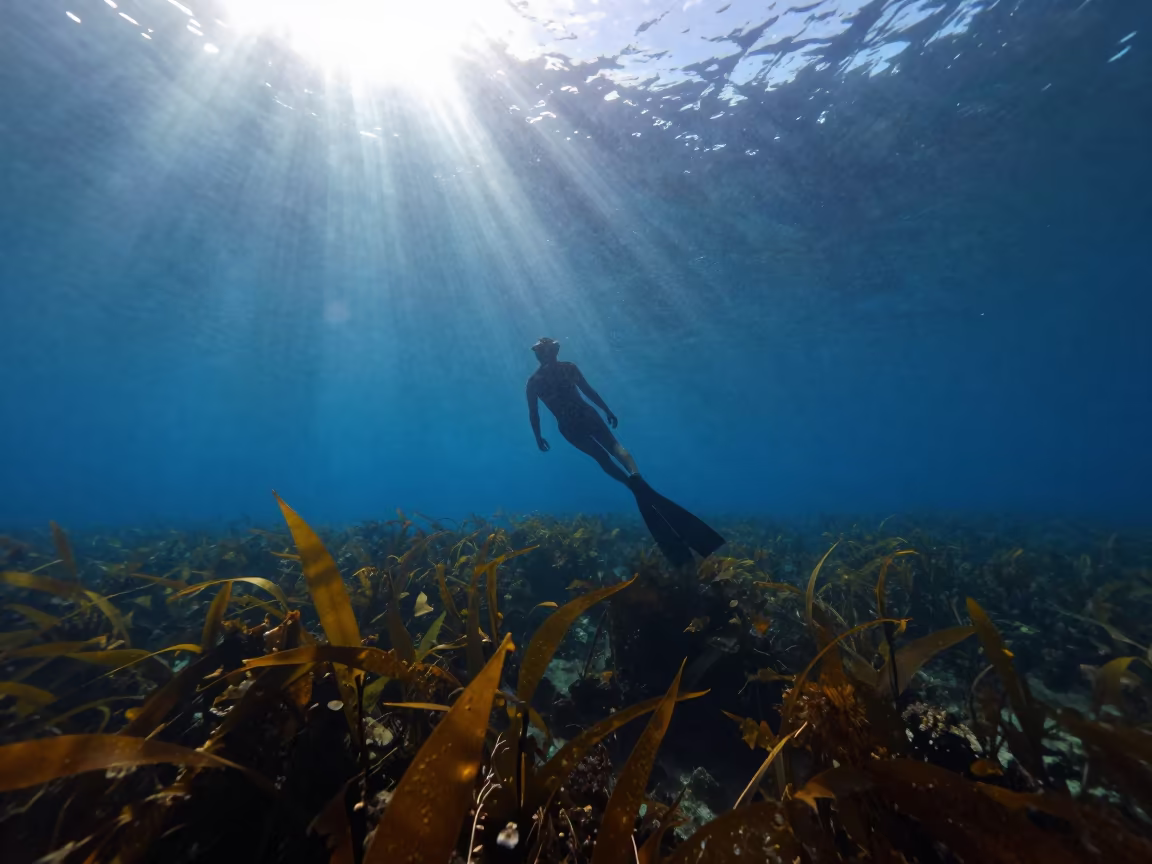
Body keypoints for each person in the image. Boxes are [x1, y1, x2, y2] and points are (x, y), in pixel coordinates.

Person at [525, 337, 724, 566]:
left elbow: (534, 412)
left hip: (568, 425)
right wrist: (606, 409)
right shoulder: (568, 368)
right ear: (555, 351)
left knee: (602, 457)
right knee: (614, 447)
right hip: (586, 414)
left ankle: (633, 486)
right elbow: (588, 391)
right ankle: (636, 477)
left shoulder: (534, 382)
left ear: (538, 354)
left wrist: (538, 437)